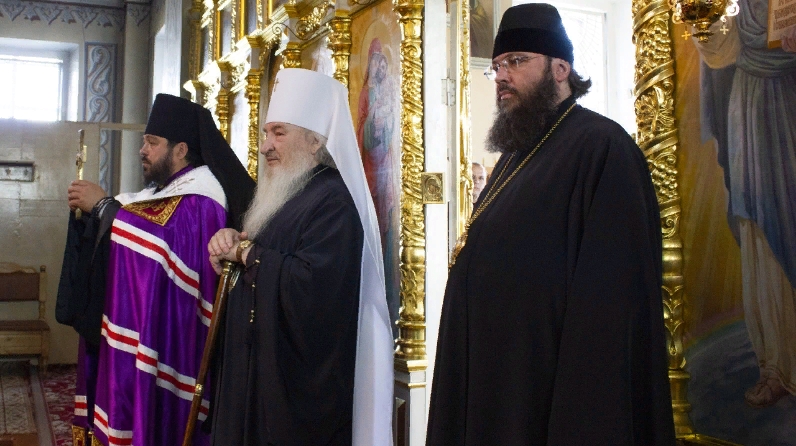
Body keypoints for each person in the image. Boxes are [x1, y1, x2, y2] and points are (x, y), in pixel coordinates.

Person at [427, 4, 676, 445]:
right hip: (501, 381)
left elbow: (612, 304)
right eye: (497, 66)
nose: (502, 76)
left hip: (550, 390)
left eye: (517, 61)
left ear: (561, 68)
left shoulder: (603, 148)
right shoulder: (515, 155)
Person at [206, 68, 394, 445]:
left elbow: (314, 289)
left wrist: (248, 255)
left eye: (278, 133)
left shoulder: (334, 202)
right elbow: (255, 253)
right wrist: (230, 247)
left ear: (314, 141)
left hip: (294, 397)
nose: (265, 146)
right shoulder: (286, 195)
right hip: (253, 379)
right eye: (265, 133)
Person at [58, 93, 254, 446]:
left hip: (175, 340)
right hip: (151, 329)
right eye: (144, 141)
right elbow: (141, 222)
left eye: (152, 142)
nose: (142, 150)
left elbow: (162, 245)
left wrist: (103, 206)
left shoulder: (204, 198)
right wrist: (97, 214)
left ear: (181, 149)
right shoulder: (166, 191)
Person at [694, 0, 796, 407]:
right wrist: (701, 18)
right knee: (759, 231)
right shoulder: (736, 4)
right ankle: (776, 366)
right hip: (750, 111)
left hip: (790, 105)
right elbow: (719, 54)